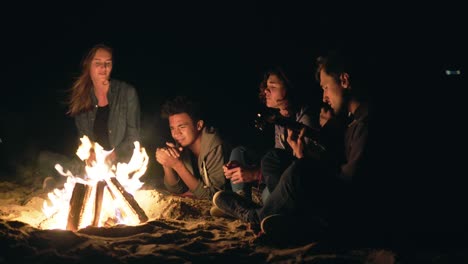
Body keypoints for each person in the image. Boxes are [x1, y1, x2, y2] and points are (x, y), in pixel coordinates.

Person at [212, 50, 371, 243]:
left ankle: (255, 215)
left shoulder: (365, 124)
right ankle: (277, 215)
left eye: (326, 88)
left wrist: (303, 159)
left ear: (344, 81)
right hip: (324, 196)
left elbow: (348, 185)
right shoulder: (350, 120)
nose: (324, 97)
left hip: (346, 212)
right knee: (273, 158)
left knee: (300, 170)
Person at [38, 43, 141, 185]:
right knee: (44, 158)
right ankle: (50, 182)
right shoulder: (83, 96)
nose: (103, 68)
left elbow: (133, 137)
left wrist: (114, 155)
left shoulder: (127, 92)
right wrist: (90, 154)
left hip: (121, 165)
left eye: (107, 63)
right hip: (93, 166)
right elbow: (83, 137)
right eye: (97, 63)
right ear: (89, 66)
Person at [222, 66, 317, 204]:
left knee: (268, 195)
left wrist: (255, 174)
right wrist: (248, 170)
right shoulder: (279, 118)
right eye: (266, 86)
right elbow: (278, 161)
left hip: (298, 187)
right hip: (280, 176)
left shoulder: (306, 120)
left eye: (272, 86)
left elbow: (300, 171)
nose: (266, 91)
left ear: (289, 87)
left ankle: (254, 208)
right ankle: (242, 200)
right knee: (239, 153)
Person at [155, 96, 231, 200]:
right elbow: (176, 190)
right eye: (172, 128)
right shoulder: (183, 145)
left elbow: (214, 196)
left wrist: (177, 165)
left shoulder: (214, 145)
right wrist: (166, 163)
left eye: (182, 127)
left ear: (199, 125)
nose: (176, 134)